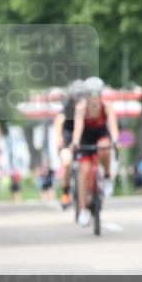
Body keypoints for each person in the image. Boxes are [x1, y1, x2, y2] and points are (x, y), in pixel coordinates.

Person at [71, 77, 119, 225]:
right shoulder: (81, 108)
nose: (94, 97)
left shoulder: (106, 106)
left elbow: (112, 125)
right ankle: (83, 209)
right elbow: (78, 128)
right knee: (84, 172)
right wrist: (75, 142)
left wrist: (115, 140)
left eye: (97, 93)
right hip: (86, 138)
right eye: (91, 93)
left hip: (101, 136)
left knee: (104, 147)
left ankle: (107, 177)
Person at [55, 80, 85, 208]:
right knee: (67, 162)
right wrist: (59, 138)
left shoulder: (88, 104)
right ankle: (66, 193)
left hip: (84, 133)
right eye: (76, 96)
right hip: (68, 134)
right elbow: (59, 121)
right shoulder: (67, 105)